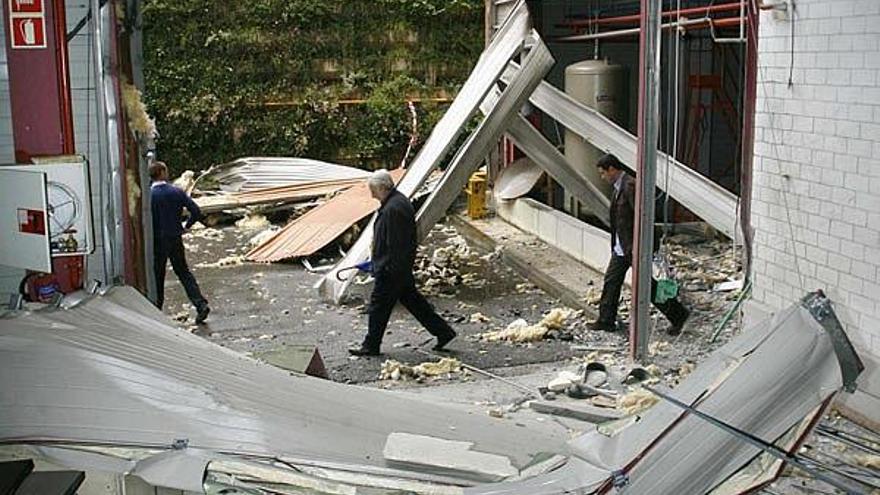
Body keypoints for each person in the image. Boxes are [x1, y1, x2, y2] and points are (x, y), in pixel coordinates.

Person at [349, 169, 457, 356]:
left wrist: (383, 266)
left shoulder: (393, 208)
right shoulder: (396, 203)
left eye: (373, 189)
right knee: (413, 302)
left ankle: (371, 345)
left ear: (382, 188)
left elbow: (396, 244)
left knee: (378, 307)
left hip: (392, 270)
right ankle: (443, 332)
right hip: (397, 268)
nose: (371, 193)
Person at [588, 153, 690, 335]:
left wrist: (641, 249)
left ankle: (678, 314)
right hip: (622, 248)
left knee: (647, 286)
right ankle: (606, 320)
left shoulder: (630, 186)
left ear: (612, 169)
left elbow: (643, 218)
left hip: (634, 248)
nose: (602, 177)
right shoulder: (620, 187)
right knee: (611, 282)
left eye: (603, 173)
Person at [150, 161, 210, 323]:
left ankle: (157, 310)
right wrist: (186, 225)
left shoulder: (149, 195)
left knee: (157, 275)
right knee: (183, 272)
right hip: (175, 236)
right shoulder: (176, 192)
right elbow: (196, 211)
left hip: (157, 240)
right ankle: (200, 304)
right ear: (162, 172)